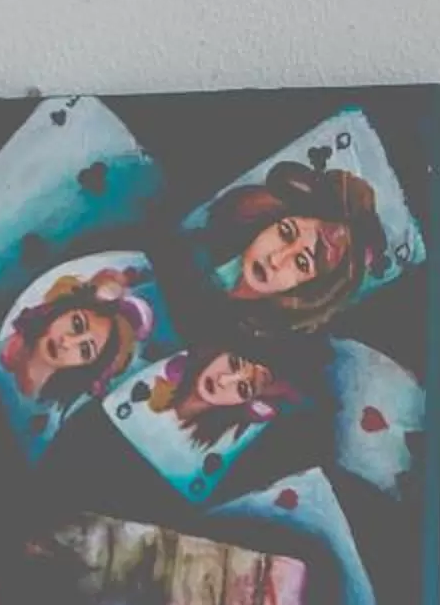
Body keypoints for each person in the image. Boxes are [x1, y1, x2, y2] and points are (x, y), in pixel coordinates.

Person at [207, 159, 386, 337]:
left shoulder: (258, 338)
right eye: (285, 233)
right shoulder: (205, 253)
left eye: (301, 262)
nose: (276, 259)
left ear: (308, 289)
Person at [0, 268, 155, 411]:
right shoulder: (6, 346)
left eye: (85, 350)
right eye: (77, 324)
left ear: (86, 367)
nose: (67, 342)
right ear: (62, 311)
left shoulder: (51, 412)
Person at [145, 344, 292, 449]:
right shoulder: (161, 368)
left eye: (243, 388)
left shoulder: (220, 444)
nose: (223, 380)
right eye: (234, 363)